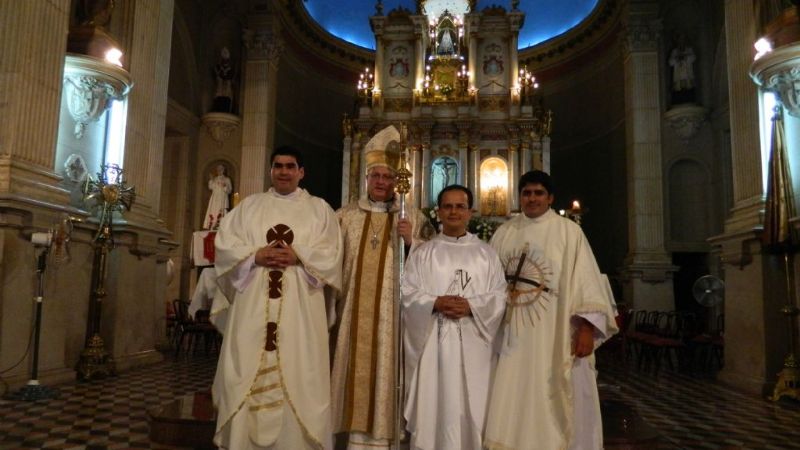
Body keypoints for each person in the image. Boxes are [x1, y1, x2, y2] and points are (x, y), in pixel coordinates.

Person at [210, 146, 343, 450]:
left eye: (290, 166)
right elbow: (225, 246)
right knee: (245, 368)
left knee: (300, 370)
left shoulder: (319, 210)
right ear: (270, 171)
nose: (284, 171)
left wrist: (299, 256)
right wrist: (255, 255)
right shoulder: (249, 207)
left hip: (300, 308)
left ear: (301, 172)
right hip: (253, 305)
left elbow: (332, 254)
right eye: (278, 166)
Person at [484, 170, 618, 450]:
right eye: (526, 193)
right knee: (512, 393)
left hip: (555, 335)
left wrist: (586, 329)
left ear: (550, 198)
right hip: (511, 338)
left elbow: (586, 283)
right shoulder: (504, 233)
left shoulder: (569, 232)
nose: (532, 199)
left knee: (556, 393)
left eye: (538, 193)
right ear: (519, 197)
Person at [330, 125, 435, 449]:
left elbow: (432, 265)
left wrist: (412, 241)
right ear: (366, 178)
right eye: (375, 175)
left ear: (396, 182)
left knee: (389, 370)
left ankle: (388, 438)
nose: (381, 182)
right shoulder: (344, 217)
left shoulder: (412, 217)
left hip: (393, 319)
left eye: (387, 177)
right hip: (352, 315)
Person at [401, 185, 507, 450]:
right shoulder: (423, 253)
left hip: (476, 344)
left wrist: (472, 306)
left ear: (470, 212)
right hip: (433, 346)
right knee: (435, 405)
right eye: (447, 206)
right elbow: (407, 292)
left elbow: (499, 295)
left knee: (474, 408)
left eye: (460, 206)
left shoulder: (486, 254)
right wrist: (435, 302)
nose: (453, 212)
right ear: (438, 212)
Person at [668, 34, 696, 104]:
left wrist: (685, 57)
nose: (681, 42)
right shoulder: (675, 51)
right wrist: (677, 59)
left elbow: (693, 58)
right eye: (680, 40)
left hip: (687, 74)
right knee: (678, 90)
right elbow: (670, 62)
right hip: (678, 76)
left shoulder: (689, 50)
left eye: (683, 40)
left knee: (688, 89)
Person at [203, 164, 232, 230]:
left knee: (221, 211)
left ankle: (221, 225)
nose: (219, 170)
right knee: (214, 210)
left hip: (223, 198)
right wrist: (211, 180)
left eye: (221, 169)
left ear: (223, 170)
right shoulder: (215, 179)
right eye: (218, 169)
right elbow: (210, 187)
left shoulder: (227, 179)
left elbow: (230, 190)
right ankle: (213, 224)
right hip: (215, 199)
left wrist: (225, 186)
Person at [213, 47, 234, 112]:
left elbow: (230, 77)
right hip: (219, 91)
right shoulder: (218, 67)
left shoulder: (231, 69)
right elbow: (217, 74)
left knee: (226, 103)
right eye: (224, 59)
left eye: (226, 60)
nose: (225, 61)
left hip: (227, 92)